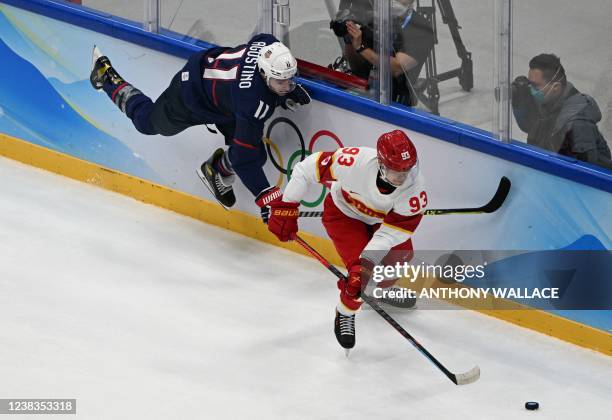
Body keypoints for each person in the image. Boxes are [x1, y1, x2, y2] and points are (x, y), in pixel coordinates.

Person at [89, 34, 312, 221]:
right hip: (191, 93)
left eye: (290, 80)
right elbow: (244, 159)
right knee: (147, 123)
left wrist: (287, 90)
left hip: (221, 92)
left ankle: (216, 169)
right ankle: (106, 77)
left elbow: (260, 38)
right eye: (280, 82)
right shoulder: (252, 102)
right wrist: (266, 197)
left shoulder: (267, 45)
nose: (286, 86)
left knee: (258, 154)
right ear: (263, 74)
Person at [265, 130, 428, 350]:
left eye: (408, 170)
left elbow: (391, 233)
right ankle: (345, 312)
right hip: (343, 215)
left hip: (381, 222)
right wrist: (288, 204)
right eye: (396, 171)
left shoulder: (414, 190)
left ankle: (383, 290)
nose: (404, 177)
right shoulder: (355, 162)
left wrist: (368, 260)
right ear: (381, 164)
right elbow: (307, 168)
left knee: (401, 257)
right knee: (359, 278)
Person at [512, 54, 612, 169]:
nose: (530, 90)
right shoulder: (548, 102)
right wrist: (520, 104)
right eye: (529, 84)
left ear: (555, 87)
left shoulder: (578, 124)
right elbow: (530, 127)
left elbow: (586, 172)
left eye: (535, 86)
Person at [332, 0, 434, 106]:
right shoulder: (374, 19)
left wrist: (361, 48)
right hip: (363, 94)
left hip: (394, 104)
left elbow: (397, 67)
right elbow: (356, 67)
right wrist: (349, 38)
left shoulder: (422, 28)